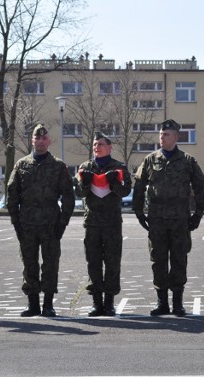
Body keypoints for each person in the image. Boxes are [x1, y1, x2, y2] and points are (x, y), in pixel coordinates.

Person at [132, 119, 204, 317]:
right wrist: (139, 213)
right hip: (156, 220)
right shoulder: (150, 160)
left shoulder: (188, 161)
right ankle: (162, 302)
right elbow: (139, 188)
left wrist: (197, 214)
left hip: (179, 220)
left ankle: (178, 303)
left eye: (166, 134)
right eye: (161, 134)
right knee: (158, 261)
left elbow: (200, 189)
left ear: (176, 137)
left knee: (178, 260)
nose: (162, 137)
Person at [6, 123, 75, 317]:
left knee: (50, 264)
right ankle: (33, 304)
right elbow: (12, 196)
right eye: (37, 138)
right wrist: (16, 223)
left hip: (50, 224)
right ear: (32, 140)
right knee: (29, 263)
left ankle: (48, 304)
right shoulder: (21, 165)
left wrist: (62, 223)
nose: (41, 141)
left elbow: (68, 197)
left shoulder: (58, 166)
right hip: (27, 224)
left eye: (44, 138)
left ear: (49, 141)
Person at [75, 132, 132, 316]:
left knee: (112, 262)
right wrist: (85, 182)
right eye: (94, 144)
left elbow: (125, 191)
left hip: (112, 223)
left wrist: (113, 181)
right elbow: (80, 193)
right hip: (92, 223)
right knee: (93, 262)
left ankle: (109, 302)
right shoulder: (85, 167)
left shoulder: (119, 167)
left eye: (100, 144)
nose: (96, 147)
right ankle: (96, 301)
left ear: (109, 147)